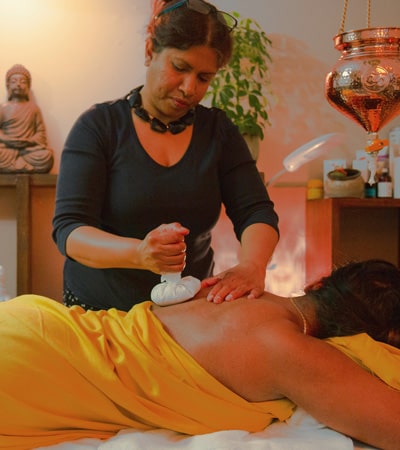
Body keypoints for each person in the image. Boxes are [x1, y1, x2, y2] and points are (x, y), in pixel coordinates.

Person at [0, 259, 399, 449]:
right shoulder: (294, 352)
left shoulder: (231, 288)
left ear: (317, 283)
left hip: (41, 324)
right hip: (35, 371)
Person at [52, 0, 279, 312]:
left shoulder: (218, 132)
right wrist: (140, 254)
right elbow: (70, 230)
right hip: (100, 310)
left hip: (187, 311)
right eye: (180, 68)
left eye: (204, 78)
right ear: (150, 51)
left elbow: (256, 211)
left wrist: (252, 266)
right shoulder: (99, 127)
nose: (189, 88)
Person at [0, 64, 54, 173]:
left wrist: (30, 141)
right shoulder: (3, 108)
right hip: (8, 148)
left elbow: (41, 132)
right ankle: (21, 164)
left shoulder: (34, 108)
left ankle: (16, 164)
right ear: (8, 85)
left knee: (47, 156)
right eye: (14, 81)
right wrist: (7, 139)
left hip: (28, 149)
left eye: (23, 82)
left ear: (28, 86)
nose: (18, 84)